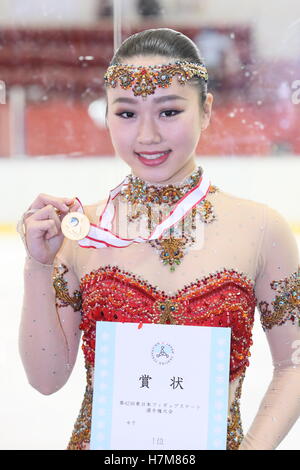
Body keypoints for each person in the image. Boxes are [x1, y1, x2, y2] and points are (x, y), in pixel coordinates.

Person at [17, 28, 300, 451]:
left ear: (206, 109)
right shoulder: (81, 231)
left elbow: (293, 363)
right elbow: (46, 380)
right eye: (127, 114)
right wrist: (38, 266)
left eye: (169, 112)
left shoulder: (261, 228)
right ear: (107, 114)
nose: (147, 135)